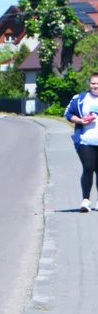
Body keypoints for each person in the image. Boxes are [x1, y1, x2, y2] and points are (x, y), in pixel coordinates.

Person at [65, 72, 98, 211]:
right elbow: (68, 113)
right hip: (85, 141)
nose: (96, 86)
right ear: (89, 84)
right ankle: (86, 200)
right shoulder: (80, 99)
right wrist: (80, 120)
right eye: (93, 83)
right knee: (88, 167)